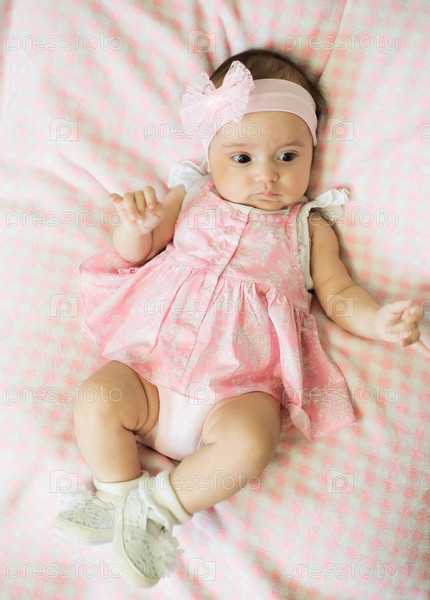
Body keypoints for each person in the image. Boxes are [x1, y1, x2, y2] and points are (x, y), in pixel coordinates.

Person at [53, 48, 428, 587]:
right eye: (243, 158)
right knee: (97, 396)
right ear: (212, 154)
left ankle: (156, 510)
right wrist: (135, 226)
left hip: (235, 394)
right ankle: (116, 495)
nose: (267, 175)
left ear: (312, 154)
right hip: (150, 373)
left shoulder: (309, 228)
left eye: (288, 156)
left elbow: (340, 294)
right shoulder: (191, 196)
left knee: (254, 440)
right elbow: (139, 250)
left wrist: (379, 321)